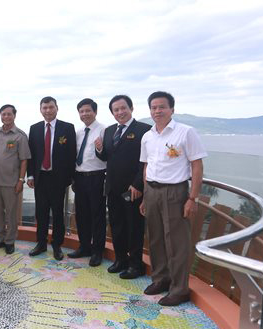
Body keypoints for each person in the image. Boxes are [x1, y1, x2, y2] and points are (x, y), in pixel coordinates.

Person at [140, 91, 206, 306]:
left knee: (177, 242)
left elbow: (197, 165)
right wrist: (144, 195)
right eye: (153, 107)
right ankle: (161, 279)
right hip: (151, 191)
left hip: (175, 192)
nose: (157, 111)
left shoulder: (185, 132)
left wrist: (192, 198)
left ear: (172, 109)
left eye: (161, 107)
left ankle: (179, 289)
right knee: (156, 239)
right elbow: (146, 166)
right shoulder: (148, 136)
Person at [95, 95, 151, 279]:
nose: (120, 112)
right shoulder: (110, 130)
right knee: (117, 224)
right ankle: (120, 260)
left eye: (123, 108)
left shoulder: (144, 130)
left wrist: (138, 184)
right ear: (112, 113)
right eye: (116, 110)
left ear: (131, 108)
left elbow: (146, 162)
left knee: (134, 226)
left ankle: (136, 264)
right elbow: (107, 158)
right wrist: (99, 149)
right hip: (112, 187)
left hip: (132, 189)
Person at [27, 96, 77, 261]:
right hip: (40, 178)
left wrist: (69, 178)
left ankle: (57, 245)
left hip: (58, 178)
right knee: (40, 213)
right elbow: (31, 156)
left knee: (57, 213)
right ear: (40, 110)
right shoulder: (34, 129)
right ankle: (41, 243)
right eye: (44, 108)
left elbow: (71, 154)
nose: (48, 110)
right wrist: (31, 175)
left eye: (51, 107)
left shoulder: (67, 128)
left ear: (57, 108)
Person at [67, 98, 107, 266]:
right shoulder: (78, 132)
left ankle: (97, 251)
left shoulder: (104, 130)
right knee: (81, 215)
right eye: (82, 111)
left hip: (97, 177)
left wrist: (100, 148)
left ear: (95, 112)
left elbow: (107, 156)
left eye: (88, 111)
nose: (85, 114)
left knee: (97, 216)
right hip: (80, 178)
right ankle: (84, 246)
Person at [0, 104, 31, 254]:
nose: (6, 117)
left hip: (11, 182)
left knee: (11, 213)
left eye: (9, 114)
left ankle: (10, 241)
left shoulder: (20, 136)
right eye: (3, 114)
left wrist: (21, 180)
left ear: (14, 116)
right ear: (0, 116)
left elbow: (24, 160)